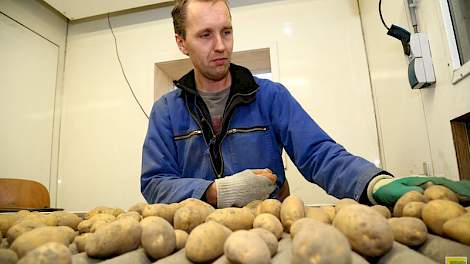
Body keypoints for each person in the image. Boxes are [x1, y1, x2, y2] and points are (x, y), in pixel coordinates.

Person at [141, 0, 470, 208]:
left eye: (226, 32)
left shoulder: (270, 97)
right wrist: (217, 192)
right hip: (194, 242)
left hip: (266, 233)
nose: (221, 46)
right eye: (205, 35)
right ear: (181, 42)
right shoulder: (166, 112)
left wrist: (374, 182)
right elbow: (154, 184)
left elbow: (319, 154)